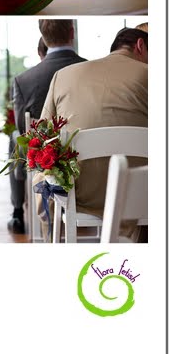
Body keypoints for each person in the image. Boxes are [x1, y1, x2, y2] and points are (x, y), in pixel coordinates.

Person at [40, 27, 148, 218]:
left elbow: (43, 135)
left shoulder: (63, 75)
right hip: (141, 193)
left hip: (79, 193)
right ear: (141, 46)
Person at [7, 20, 86, 234]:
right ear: (72, 32)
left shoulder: (24, 80)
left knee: (14, 138)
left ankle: (17, 211)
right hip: (85, 153)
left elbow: (24, 132)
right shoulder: (92, 70)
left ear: (43, 37)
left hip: (44, 159)